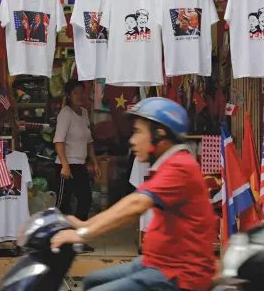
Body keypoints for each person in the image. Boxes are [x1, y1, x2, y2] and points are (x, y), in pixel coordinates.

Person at [51, 97, 216, 291]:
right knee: (91, 281)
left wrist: (82, 233)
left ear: (159, 135)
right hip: (155, 262)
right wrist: (85, 225)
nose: (132, 140)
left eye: (138, 132)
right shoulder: (166, 164)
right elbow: (131, 203)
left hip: (179, 274)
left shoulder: (180, 166)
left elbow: (136, 205)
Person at [54, 79, 102, 252]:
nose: (80, 96)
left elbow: (89, 141)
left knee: (85, 200)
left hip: (80, 165)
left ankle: (77, 240)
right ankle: (56, 241)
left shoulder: (84, 113)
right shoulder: (65, 114)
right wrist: (65, 166)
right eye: (75, 93)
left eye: (82, 92)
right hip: (66, 167)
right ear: (68, 95)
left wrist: (95, 162)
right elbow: (58, 141)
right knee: (63, 205)